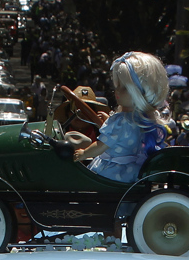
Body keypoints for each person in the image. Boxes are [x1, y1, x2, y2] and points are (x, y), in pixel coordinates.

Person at [72, 51, 169, 183]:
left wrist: (84, 153)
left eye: (124, 88)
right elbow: (123, 137)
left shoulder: (119, 121)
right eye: (117, 86)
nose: (117, 91)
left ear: (140, 93)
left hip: (111, 171)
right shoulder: (141, 120)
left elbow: (101, 146)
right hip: (130, 171)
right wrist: (107, 122)